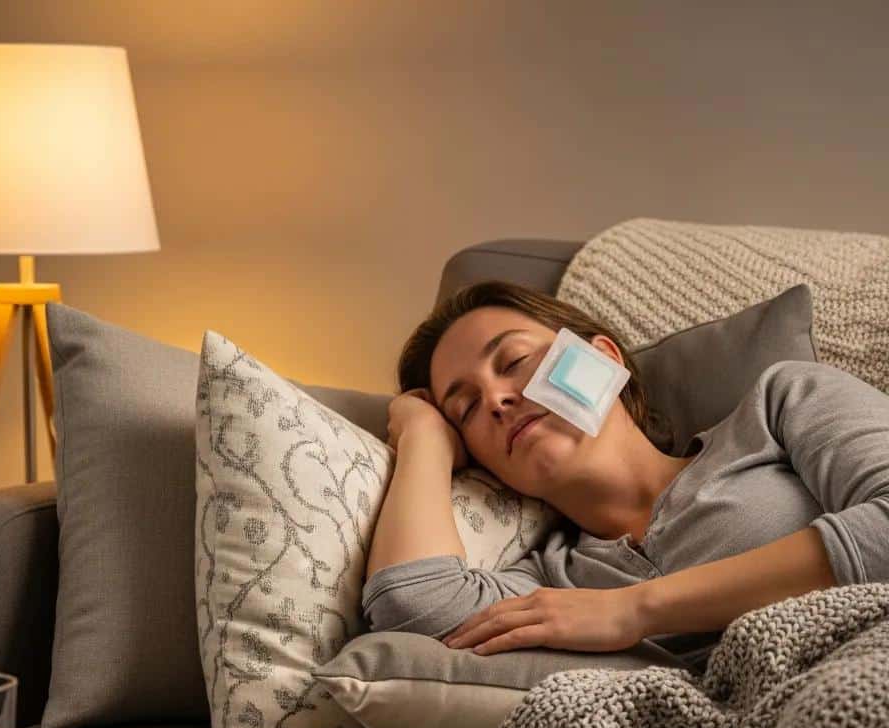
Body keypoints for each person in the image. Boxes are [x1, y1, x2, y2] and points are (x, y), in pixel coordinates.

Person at [363, 280, 889, 672]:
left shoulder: (779, 406)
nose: (497, 400)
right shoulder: (556, 584)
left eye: (515, 360)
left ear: (602, 358)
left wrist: (632, 611)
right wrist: (424, 439)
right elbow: (412, 605)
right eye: (466, 408)